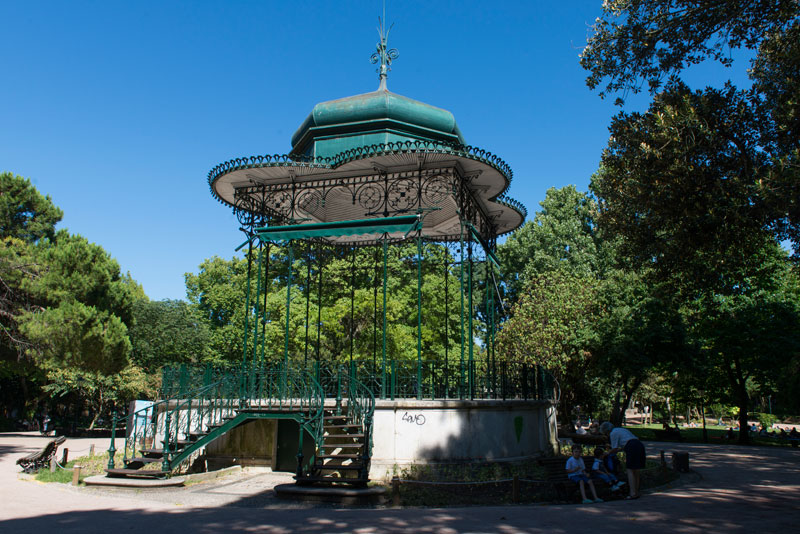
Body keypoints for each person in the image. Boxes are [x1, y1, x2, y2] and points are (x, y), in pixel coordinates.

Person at [600, 421, 646, 500]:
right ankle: (636, 491)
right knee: (636, 470)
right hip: (639, 444)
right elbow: (622, 446)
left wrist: (607, 453)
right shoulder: (620, 429)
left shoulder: (613, 433)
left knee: (630, 470)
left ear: (607, 431)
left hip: (631, 447)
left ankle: (632, 493)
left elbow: (614, 448)